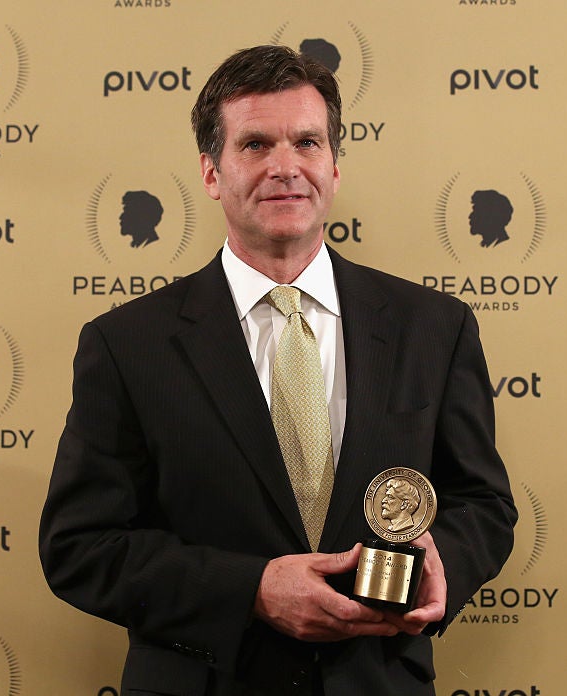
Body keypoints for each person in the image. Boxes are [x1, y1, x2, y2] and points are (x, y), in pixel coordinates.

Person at [40, 44, 516, 696]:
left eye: (307, 143)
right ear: (211, 172)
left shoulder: (433, 328)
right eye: (256, 145)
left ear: (335, 166)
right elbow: (79, 547)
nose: (285, 167)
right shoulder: (127, 345)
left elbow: (484, 506)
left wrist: (445, 561)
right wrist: (252, 591)